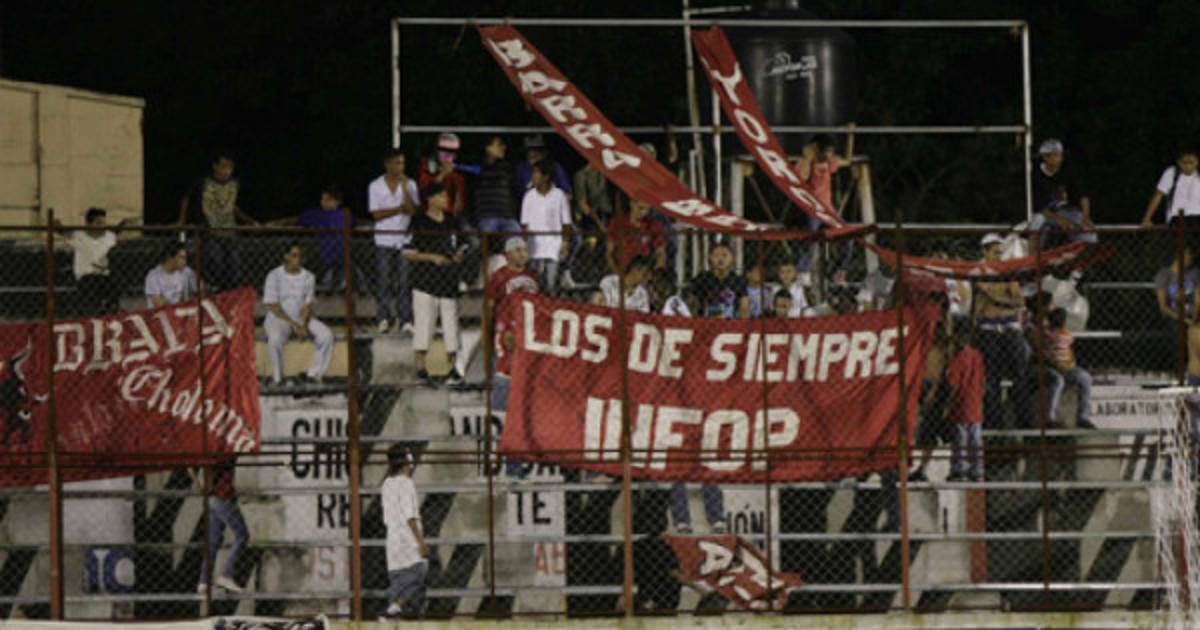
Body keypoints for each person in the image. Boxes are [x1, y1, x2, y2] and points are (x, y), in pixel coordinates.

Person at [485, 238, 542, 477]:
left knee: (524, 414)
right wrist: (490, 337)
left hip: (529, 349)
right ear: (508, 254)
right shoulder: (498, 277)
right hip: (506, 349)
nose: (523, 254)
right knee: (502, 412)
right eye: (518, 250)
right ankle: (499, 464)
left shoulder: (534, 277)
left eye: (525, 250)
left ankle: (517, 465)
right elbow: (489, 308)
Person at [404, 183, 465, 385]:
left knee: (451, 325)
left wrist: (458, 256)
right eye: (441, 196)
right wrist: (432, 257)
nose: (445, 199)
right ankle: (421, 367)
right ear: (430, 199)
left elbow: (462, 245)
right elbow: (407, 252)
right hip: (424, 280)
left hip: (449, 279)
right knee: (424, 323)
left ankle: (453, 367)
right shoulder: (418, 221)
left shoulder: (452, 221)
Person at [974, 233, 1032, 430]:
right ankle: (994, 425)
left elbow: (1019, 300)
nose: (999, 257)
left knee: (1020, 375)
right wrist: (1006, 298)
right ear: (985, 252)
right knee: (992, 379)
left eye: (1001, 253)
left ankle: (1024, 423)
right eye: (995, 253)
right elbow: (990, 293)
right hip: (989, 327)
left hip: (1008, 325)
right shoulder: (978, 271)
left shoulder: (1006, 270)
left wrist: (998, 298)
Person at [177, 152, 259, 291]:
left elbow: (231, 206)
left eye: (230, 167)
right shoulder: (203, 183)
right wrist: (182, 221)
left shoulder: (233, 184)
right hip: (210, 229)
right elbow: (187, 198)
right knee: (215, 258)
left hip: (229, 229)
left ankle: (228, 289)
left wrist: (249, 221)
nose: (227, 171)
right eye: (224, 167)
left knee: (234, 262)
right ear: (215, 166)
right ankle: (214, 286)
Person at [263, 243, 334, 386]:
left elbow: (307, 305)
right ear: (286, 256)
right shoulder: (274, 275)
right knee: (274, 339)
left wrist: (304, 325)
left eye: (301, 256)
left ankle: (313, 375)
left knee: (326, 335)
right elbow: (274, 306)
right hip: (279, 318)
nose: (298, 259)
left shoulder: (308, 276)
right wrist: (294, 325)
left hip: (301, 317)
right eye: (294, 255)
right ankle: (278, 379)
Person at [793, 131, 855, 284]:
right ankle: (803, 271)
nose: (830, 154)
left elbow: (847, 161)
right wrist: (808, 157)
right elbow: (801, 178)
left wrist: (850, 136)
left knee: (848, 234)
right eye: (827, 151)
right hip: (811, 209)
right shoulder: (805, 163)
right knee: (811, 237)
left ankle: (840, 271)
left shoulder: (829, 163)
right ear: (817, 149)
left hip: (828, 211)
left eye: (831, 151)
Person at [370, 149, 420, 335]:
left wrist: (405, 189)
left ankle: (405, 320)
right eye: (397, 163)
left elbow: (413, 210)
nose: (401, 167)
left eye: (403, 163)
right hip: (383, 239)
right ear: (388, 164)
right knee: (384, 281)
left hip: (404, 239)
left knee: (404, 282)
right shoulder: (375, 186)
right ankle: (383, 318)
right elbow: (376, 214)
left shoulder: (410, 184)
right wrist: (399, 209)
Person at [381, 444, 428, 619]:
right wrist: (420, 542)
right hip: (408, 540)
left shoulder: (387, 484)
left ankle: (394, 611)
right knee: (420, 570)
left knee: (398, 579)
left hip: (393, 540)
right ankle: (394, 608)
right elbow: (410, 517)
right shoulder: (407, 484)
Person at [56, 207, 128, 315]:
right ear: (89, 224)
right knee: (91, 285)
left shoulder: (109, 236)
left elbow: (116, 232)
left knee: (117, 281)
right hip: (86, 276)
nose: (102, 226)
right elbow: (62, 232)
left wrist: (124, 223)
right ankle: (93, 311)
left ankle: (112, 309)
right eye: (98, 223)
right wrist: (56, 224)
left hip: (104, 275)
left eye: (103, 223)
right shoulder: (79, 236)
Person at [297, 184, 366, 291]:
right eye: (322, 199)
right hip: (324, 256)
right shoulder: (316, 214)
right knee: (329, 279)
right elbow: (297, 220)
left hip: (344, 255)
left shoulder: (345, 214)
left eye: (328, 200)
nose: (324, 202)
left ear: (338, 202)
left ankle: (356, 289)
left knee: (353, 274)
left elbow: (357, 223)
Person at [520, 161, 573, 296]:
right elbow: (525, 224)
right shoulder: (529, 196)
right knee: (534, 284)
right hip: (534, 247)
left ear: (546, 176)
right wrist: (524, 245)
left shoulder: (559, 195)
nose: (533, 176)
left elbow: (566, 223)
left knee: (551, 284)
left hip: (553, 246)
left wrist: (565, 243)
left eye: (536, 173)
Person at [196, 457, 248, 593]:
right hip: (222, 497)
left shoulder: (212, 451)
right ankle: (226, 575)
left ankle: (204, 581)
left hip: (212, 498)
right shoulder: (223, 452)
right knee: (242, 535)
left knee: (213, 540)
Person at [1041, 307, 1095, 430]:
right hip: (1052, 368)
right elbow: (1047, 353)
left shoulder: (1062, 334)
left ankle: (1083, 417)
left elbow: (1067, 350)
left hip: (1066, 368)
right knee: (1058, 381)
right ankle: (1049, 418)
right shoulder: (1048, 335)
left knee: (1085, 377)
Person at [944, 331, 986, 482]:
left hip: (961, 403)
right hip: (975, 402)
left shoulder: (958, 357)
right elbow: (982, 379)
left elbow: (953, 383)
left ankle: (960, 469)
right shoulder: (977, 356)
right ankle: (977, 469)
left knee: (960, 438)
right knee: (975, 438)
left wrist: (947, 404)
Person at [1031, 139, 1093, 233]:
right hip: (1045, 214)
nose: (1059, 158)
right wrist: (1059, 220)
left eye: (1060, 155)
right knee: (1038, 221)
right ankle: (1034, 243)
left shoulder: (1068, 171)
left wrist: (1085, 217)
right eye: (1055, 155)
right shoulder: (1035, 175)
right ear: (1045, 157)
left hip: (1066, 211)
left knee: (1087, 231)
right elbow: (1039, 206)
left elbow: (1083, 195)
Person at [1154, 246, 1200, 372]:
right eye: (1189, 254)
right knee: (1177, 329)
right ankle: (1179, 371)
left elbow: (1198, 299)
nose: (1191, 257)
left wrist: (1194, 318)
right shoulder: (1164, 275)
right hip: (1174, 316)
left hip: (1194, 314)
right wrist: (1185, 320)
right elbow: (1163, 307)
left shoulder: (1195, 274)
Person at [1141, 147, 1200, 229]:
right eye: (1184, 162)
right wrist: (1146, 219)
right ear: (1178, 162)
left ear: (1197, 162)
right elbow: (1158, 196)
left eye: (1191, 162)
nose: (1188, 166)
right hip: (1177, 217)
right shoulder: (1171, 173)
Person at [474, 135, 521, 238]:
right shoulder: (478, 166)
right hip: (487, 216)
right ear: (488, 148)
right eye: (499, 145)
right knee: (487, 242)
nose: (503, 147)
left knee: (518, 241)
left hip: (507, 216)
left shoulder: (507, 167)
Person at [689, 242, 749, 319]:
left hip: (731, 322)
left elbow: (744, 306)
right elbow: (692, 303)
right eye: (716, 255)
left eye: (725, 255)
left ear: (732, 258)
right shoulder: (702, 278)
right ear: (710, 257)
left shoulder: (738, 280)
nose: (720, 259)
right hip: (705, 321)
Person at [606, 198, 667, 273]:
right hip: (621, 269)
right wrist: (617, 273)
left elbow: (660, 251)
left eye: (648, 209)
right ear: (632, 204)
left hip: (643, 272)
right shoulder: (617, 223)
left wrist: (658, 268)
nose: (644, 213)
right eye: (641, 208)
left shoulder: (654, 225)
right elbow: (609, 253)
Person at [417, 133, 467, 216]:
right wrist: (443, 174)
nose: (448, 155)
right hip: (429, 216)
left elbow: (460, 206)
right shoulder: (425, 168)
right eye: (444, 150)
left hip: (450, 217)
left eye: (452, 152)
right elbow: (425, 194)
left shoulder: (458, 175)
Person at [513, 134, 572, 199]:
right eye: (529, 156)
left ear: (544, 154)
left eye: (536, 155)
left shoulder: (555, 167)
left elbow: (568, 194)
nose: (532, 160)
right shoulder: (521, 168)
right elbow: (517, 194)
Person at [145, 242, 197, 308]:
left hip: (180, 311)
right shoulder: (153, 276)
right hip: (162, 312)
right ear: (170, 258)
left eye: (185, 258)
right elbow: (158, 304)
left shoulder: (186, 272)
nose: (184, 261)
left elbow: (199, 290)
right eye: (181, 257)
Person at [574, 162, 614, 227]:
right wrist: (599, 224)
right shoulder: (581, 176)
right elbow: (583, 204)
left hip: (606, 210)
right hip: (590, 214)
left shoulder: (603, 171)